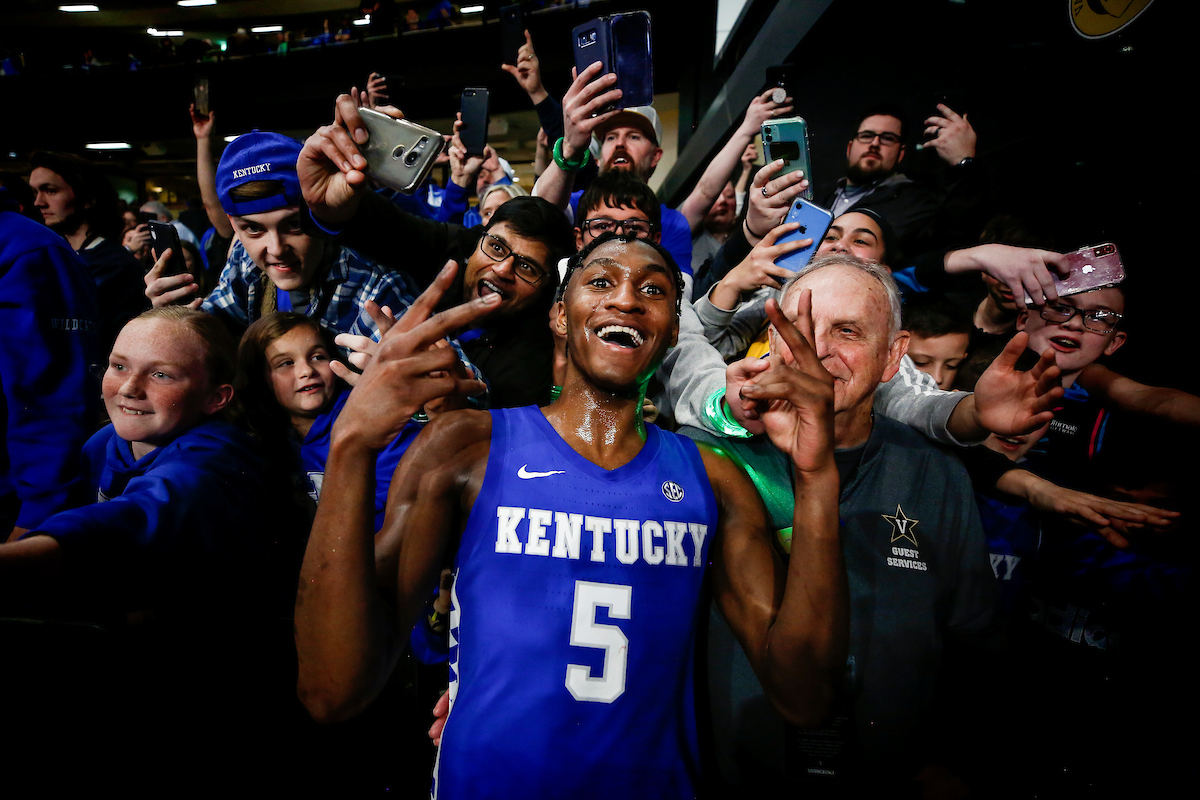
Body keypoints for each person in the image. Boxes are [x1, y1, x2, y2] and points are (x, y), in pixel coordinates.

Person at [294, 235, 849, 798]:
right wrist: (352, 443)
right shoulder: (465, 447)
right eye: (602, 281)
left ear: (673, 331)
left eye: (653, 290)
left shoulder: (715, 479)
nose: (626, 299)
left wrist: (816, 477)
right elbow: (332, 691)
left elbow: (805, 697)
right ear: (560, 315)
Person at [686, 252, 998, 791]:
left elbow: (975, 644)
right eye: (801, 329)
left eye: (847, 331)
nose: (819, 351)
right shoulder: (710, 461)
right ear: (772, 340)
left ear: (892, 357)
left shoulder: (936, 474)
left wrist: (952, 760)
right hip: (736, 778)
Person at [296, 97, 577, 407]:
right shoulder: (454, 249)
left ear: (547, 288)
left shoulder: (533, 361)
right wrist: (328, 205)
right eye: (497, 247)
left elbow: (498, 426)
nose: (502, 269)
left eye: (527, 267)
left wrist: (442, 406)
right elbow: (383, 228)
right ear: (476, 242)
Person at [144, 129, 425, 353]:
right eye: (253, 229)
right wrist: (176, 317)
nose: (276, 249)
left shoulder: (375, 286)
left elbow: (448, 383)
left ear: (318, 210)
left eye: (294, 225)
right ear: (234, 226)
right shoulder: (243, 256)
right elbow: (214, 325)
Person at [0, 183, 100, 541]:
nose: (40, 200)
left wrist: (37, 519)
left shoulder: (30, 249)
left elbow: (53, 396)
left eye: (51, 189)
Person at [531, 60, 695, 276]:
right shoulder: (577, 204)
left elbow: (680, 293)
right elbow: (539, 213)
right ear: (598, 159)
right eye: (610, 137)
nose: (620, 144)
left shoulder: (672, 224)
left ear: (655, 156)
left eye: (634, 136)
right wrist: (570, 148)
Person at [820, 103, 983, 255]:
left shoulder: (914, 202)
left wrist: (963, 163)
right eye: (866, 135)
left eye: (888, 138)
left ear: (901, 154)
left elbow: (951, 236)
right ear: (849, 148)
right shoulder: (822, 198)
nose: (875, 143)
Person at [29, 151, 148, 352]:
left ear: (87, 199)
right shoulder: (52, 253)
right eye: (35, 192)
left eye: (50, 191)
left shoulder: (115, 265)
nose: (38, 202)